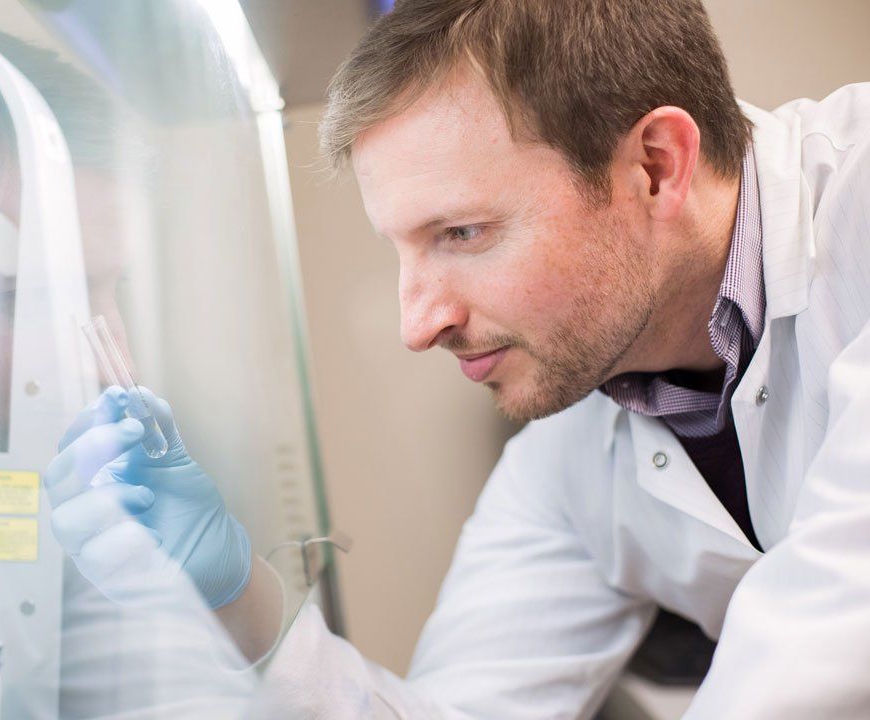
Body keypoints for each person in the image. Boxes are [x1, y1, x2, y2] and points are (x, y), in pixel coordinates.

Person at [45, 0, 870, 717]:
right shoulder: (571, 438)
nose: (419, 324)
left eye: (462, 233)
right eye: (402, 250)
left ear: (655, 165)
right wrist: (234, 594)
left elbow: (824, 647)